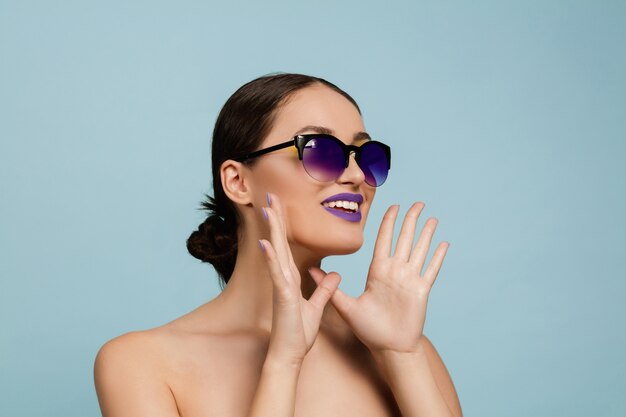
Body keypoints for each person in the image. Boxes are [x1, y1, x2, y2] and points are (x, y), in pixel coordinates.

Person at [93, 73, 463, 417]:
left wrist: (402, 356)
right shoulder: (141, 363)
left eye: (366, 156)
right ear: (238, 181)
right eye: (321, 150)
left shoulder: (404, 348)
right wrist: (284, 361)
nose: (355, 176)